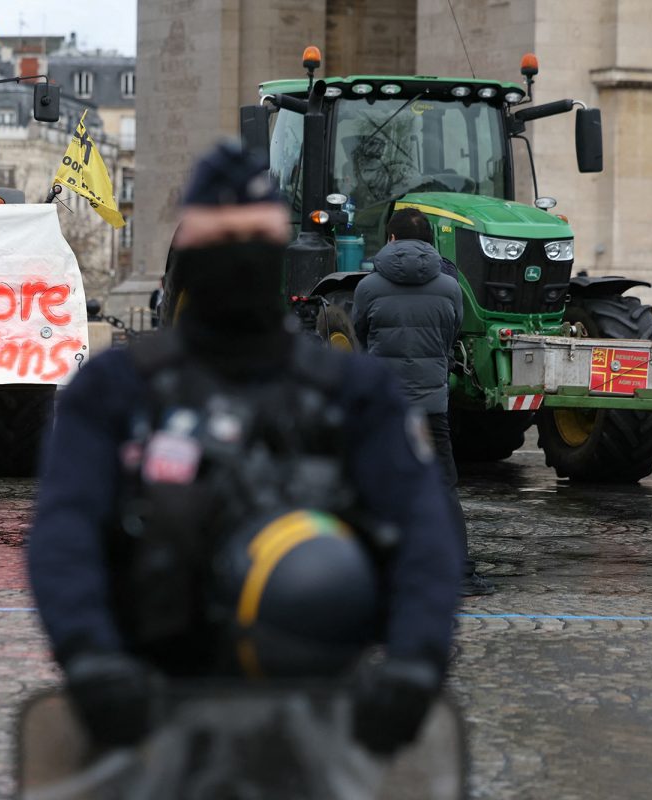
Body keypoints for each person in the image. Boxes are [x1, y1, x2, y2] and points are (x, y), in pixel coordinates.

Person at [28, 141, 463, 757]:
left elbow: (422, 530)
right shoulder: (115, 392)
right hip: (152, 710)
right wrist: (90, 656)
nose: (237, 261)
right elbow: (65, 530)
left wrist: (415, 660)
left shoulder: (352, 393)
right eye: (222, 241)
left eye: (251, 241)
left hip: (319, 712)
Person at [350, 206, 494, 597]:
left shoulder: (368, 287)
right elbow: (451, 336)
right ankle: (459, 573)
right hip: (431, 406)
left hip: (386, 407)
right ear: (431, 242)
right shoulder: (450, 287)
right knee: (443, 486)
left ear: (391, 239)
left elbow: (360, 334)